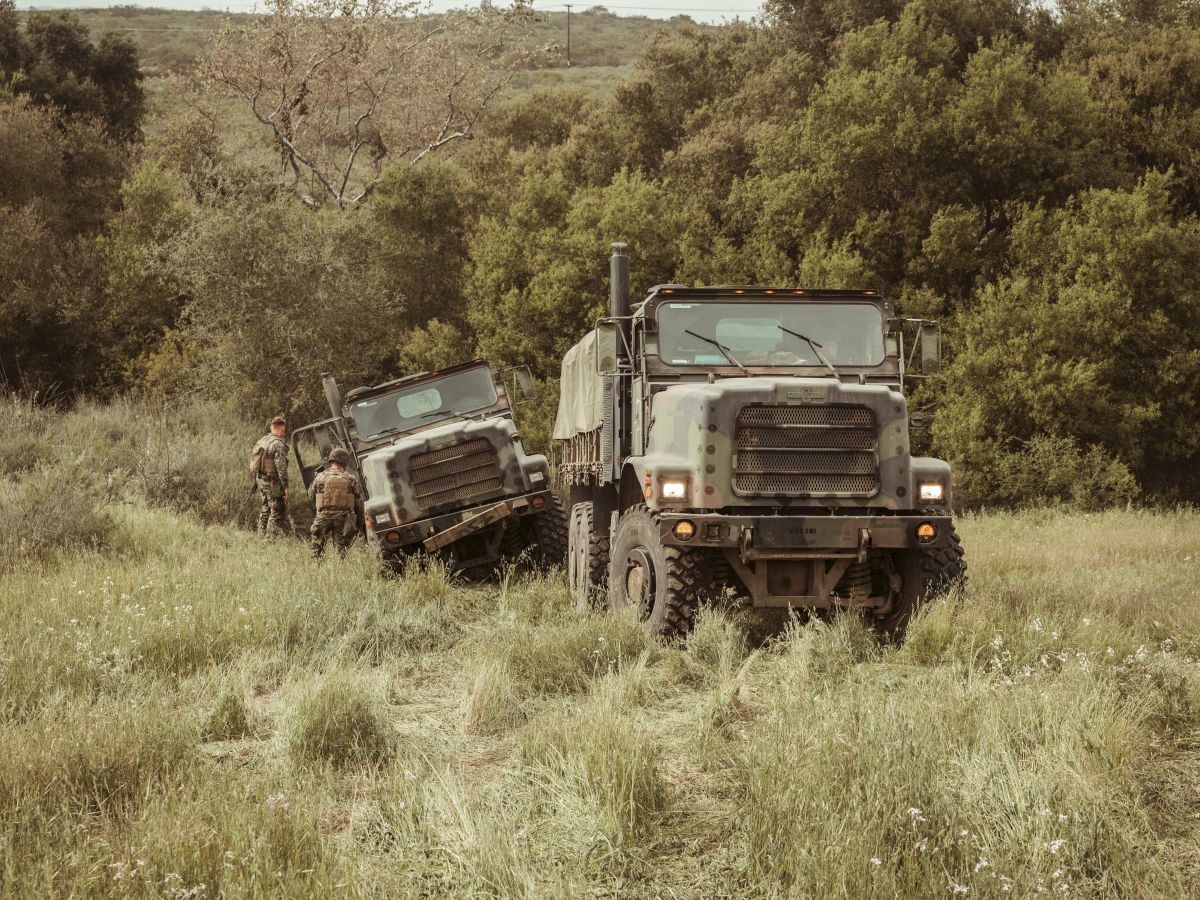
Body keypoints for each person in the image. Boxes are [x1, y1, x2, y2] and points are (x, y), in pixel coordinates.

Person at [308, 447, 364, 559]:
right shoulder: (351, 479)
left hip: (322, 517)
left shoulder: (320, 477)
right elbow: (358, 504)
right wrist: (358, 524)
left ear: (332, 461)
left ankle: (315, 572)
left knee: (316, 550)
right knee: (340, 552)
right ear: (344, 462)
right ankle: (339, 572)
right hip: (342, 519)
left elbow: (311, 496)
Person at [251, 416, 291, 535]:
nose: (283, 433)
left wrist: (255, 482)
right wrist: (286, 487)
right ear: (281, 429)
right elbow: (281, 469)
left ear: (271, 427)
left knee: (265, 508)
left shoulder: (262, 441)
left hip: (260, 480)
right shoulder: (278, 444)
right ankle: (269, 541)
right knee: (276, 510)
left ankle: (260, 535)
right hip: (271, 482)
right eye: (283, 430)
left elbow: (256, 463)